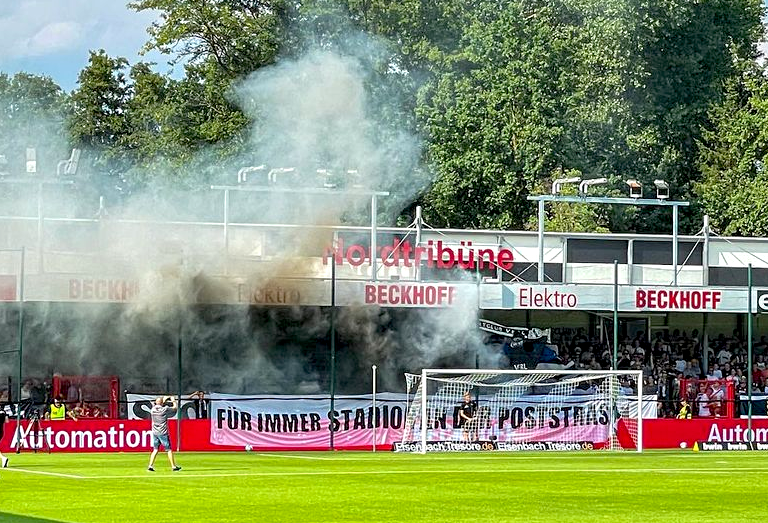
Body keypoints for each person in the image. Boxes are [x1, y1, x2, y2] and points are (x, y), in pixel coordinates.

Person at [148, 396, 181, 472]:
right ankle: (173, 466)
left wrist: (164, 399)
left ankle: (150, 465)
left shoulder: (152, 410)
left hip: (155, 432)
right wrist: (173, 400)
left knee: (155, 450)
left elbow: (159, 404)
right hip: (163, 432)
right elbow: (175, 408)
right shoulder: (164, 409)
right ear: (162, 403)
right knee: (169, 449)